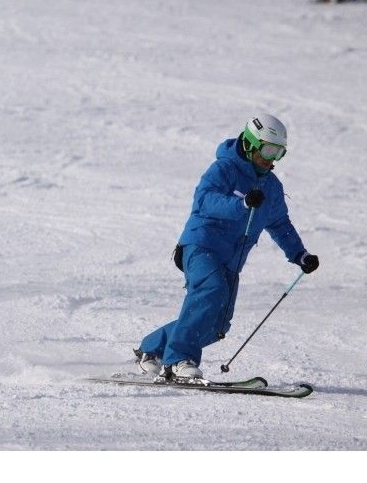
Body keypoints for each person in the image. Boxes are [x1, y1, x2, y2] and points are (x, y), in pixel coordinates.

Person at [135, 114, 320, 379]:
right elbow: (205, 200)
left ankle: (150, 349)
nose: (271, 159)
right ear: (249, 144)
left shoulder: (272, 186)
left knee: (217, 325)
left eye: (279, 153)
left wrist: (299, 254)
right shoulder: (224, 169)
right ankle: (178, 359)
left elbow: (279, 223)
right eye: (268, 149)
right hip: (200, 246)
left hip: (231, 260)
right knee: (211, 289)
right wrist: (241, 204)